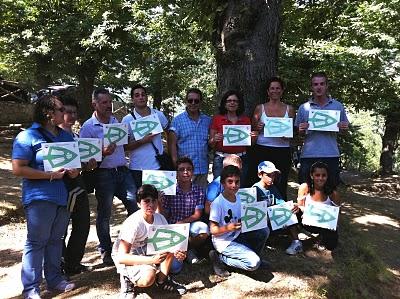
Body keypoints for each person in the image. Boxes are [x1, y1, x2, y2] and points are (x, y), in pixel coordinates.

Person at [12, 95, 76, 298]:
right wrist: (49, 175)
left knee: (56, 239)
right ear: (48, 113)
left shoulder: (66, 136)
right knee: (37, 241)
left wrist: (75, 171)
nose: (64, 113)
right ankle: (31, 288)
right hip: (39, 196)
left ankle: (55, 280)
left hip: (61, 196)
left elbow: (74, 166)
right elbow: (18, 168)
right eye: (60, 109)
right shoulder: (27, 136)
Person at [80, 88, 138, 265]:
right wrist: (102, 153)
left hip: (122, 171)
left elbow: (126, 143)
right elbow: (84, 158)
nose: (108, 105)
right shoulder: (88, 127)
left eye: (109, 102)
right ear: (94, 104)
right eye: (104, 102)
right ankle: (105, 250)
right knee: (105, 213)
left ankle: (134, 246)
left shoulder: (116, 121)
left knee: (134, 207)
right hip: (103, 175)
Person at [112, 184, 187, 298]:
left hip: (148, 251)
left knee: (174, 258)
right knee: (148, 277)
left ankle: (162, 281)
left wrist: (180, 252)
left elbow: (172, 245)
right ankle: (127, 279)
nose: (151, 205)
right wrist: (151, 260)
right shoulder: (134, 223)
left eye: (154, 200)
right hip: (131, 255)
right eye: (146, 201)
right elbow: (121, 257)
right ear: (138, 203)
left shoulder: (160, 218)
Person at [209, 165, 270, 277]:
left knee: (264, 230)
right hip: (224, 242)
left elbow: (242, 216)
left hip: (238, 234)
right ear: (223, 183)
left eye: (237, 182)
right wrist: (228, 228)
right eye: (230, 182)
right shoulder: (217, 203)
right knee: (253, 263)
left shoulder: (239, 196)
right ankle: (222, 259)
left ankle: (254, 255)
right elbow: (213, 230)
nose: (234, 185)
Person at [58, 95, 95, 275]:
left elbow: (81, 164)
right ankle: (60, 263)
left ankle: (73, 263)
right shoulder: (54, 136)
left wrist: (88, 165)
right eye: (67, 111)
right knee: (61, 227)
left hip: (78, 185)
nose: (71, 116)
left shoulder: (76, 136)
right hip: (61, 186)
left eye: (74, 112)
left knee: (82, 225)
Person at [295, 72, 349, 187]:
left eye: (322, 84)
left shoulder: (337, 106)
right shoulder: (303, 108)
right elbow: (298, 135)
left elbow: (344, 132)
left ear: (326, 86)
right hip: (308, 155)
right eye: (315, 84)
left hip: (331, 154)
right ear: (311, 87)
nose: (319, 87)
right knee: (305, 190)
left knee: (330, 190)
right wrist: (300, 129)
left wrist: (344, 128)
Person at [248, 77, 295, 199]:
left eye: (278, 88)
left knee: (280, 183)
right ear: (268, 91)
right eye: (272, 88)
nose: (275, 91)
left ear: (282, 90)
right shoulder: (260, 108)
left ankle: (279, 213)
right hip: (261, 149)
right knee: (259, 184)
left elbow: (293, 132)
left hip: (282, 150)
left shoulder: (289, 109)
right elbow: (252, 129)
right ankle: (259, 213)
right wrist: (257, 127)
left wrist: (289, 133)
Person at [160, 157, 209, 269]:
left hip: (190, 224)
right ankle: (182, 252)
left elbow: (197, 214)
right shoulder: (169, 190)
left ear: (193, 172)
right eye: (182, 169)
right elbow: (165, 215)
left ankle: (188, 249)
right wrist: (159, 201)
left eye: (189, 169)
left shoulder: (199, 190)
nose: (185, 172)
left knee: (203, 229)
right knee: (175, 268)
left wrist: (181, 222)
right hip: (173, 227)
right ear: (176, 173)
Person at [122, 84, 169, 189]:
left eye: (143, 94)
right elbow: (124, 147)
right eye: (137, 95)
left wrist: (169, 151)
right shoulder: (127, 120)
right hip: (137, 168)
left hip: (158, 166)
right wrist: (142, 141)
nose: (141, 97)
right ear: (132, 99)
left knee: (160, 201)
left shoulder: (159, 115)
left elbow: (169, 133)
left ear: (147, 97)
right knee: (142, 202)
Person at [252, 161, 302, 255]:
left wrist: (291, 207)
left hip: (273, 219)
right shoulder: (255, 189)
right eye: (268, 175)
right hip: (261, 221)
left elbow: (281, 203)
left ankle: (296, 242)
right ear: (260, 175)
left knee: (290, 210)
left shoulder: (273, 188)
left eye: (273, 175)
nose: (271, 178)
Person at [209, 90, 256, 185]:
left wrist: (254, 137)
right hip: (221, 159)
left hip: (241, 158)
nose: (232, 103)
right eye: (229, 100)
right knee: (219, 187)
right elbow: (211, 143)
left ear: (239, 104)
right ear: (224, 103)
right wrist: (215, 139)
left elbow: (251, 143)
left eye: (235, 101)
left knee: (239, 187)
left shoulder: (246, 120)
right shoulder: (217, 119)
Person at [169, 88, 211, 188]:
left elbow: (211, 142)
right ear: (186, 101)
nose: (193, 103)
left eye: (196, 101)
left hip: (203, 168)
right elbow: (172, 145)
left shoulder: (208, 121)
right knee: (185, 201)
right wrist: (176, 165)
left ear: (200, 102)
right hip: (185, 170)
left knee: (201, 200)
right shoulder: (177, 121)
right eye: (190, 100)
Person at [297, 162, 341, 250]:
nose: (320, 178)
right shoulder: (304, 187)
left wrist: (334, 224)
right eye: (317, 175)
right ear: (311, 175)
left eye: (323, 175)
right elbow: (299, 206)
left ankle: (322, 237)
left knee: (331, 245)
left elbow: (337, 214)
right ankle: (295, 240)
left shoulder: (333, 193)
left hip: (324, 225)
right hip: (306, 221)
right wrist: (303, 210)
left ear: (327, 176)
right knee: (293, 211)